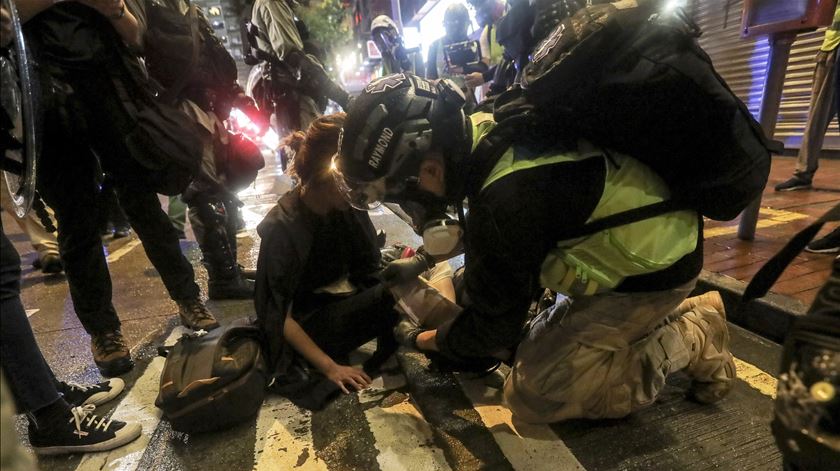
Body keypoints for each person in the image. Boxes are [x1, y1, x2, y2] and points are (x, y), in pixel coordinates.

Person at [332, 73, 735, 423]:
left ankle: (696, 333)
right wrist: (421, 260)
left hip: (653, 272)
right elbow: (499, 228)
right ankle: (662, 321)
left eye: (406, 195)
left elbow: (493, 328)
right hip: (655, 235)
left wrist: (418, 339)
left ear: (430, 169)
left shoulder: (508, 200)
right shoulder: (488, 130)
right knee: (478, 292)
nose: (412, 209)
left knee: (536, 392)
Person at [22, 0, 220, 377]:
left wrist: (112, 9)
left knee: (145, 207)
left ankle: (188, 298)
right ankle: (105, 332)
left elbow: (137, 35)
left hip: (113, 96)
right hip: (49, 104)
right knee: (78, 224)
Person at [254, 113, 398, 398]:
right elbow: (278, 314)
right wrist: (331, 368)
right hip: (309, 330)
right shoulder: (283, 226)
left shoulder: (346, 210)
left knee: (410, 280)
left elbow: (369, 269)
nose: (359, 190)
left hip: (341, 306)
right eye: (352, 180)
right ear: (330, 173)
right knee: (396, 294)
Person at [249, 0, 349, 134]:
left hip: (291, 100)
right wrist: (342, 97)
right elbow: (295, 59)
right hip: (294, 101)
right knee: (314, 151)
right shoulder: (272, 3)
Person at [775, 5, 839, 191]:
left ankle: (803, 174)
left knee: (816, 118)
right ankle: (803, 174)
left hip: (832, 51)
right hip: (830, 50)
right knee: (815, 118)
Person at [426, 3, 486, 111]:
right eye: (452, 26)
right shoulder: (435, 47)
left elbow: (482, 70)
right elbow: (430, 77)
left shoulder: (473, 46)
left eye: (459, 27)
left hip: (469, 102)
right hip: (443, 103)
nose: (455, 30)